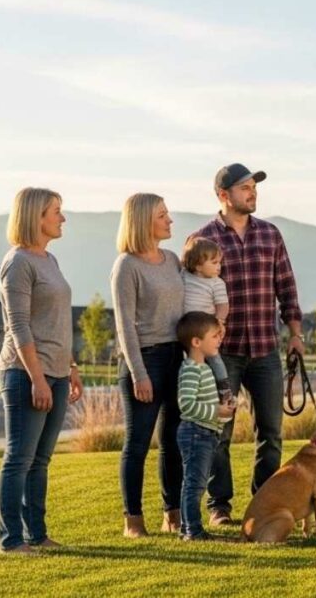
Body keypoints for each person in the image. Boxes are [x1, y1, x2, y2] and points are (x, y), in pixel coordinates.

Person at [192, 163, 304, 527]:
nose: (252, 192)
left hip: (265, 349)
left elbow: (287, 288)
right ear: (223, 195)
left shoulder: (270, 235)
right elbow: (192, 297)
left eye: (254, 187)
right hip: (221, 355)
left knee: (271, 434)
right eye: (245, 187)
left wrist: (296, 334)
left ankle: (264, 504)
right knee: (219, 433)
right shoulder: (202, 240)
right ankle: (219, 506)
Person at [0, 187, 84, 555]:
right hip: (25, 373)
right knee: (19, 458)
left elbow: (56, 320)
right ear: (36, 216)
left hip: (57, 372)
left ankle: (37, 534)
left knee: (41, 460)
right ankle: (10, 540)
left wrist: (71, 366)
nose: (63, 218)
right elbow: (19, 326)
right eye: (56, 211)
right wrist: (37, 378)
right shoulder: (18, 263)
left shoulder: (49, 259)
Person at [111, 193, 185, 538]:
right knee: (138, 443)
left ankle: (173, 515)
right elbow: (124, 325)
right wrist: (139, 373)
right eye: (162, 215)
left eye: (167, 214)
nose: (169, 220)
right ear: (143, 221)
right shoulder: (126, 265)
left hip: (177, 356)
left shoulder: (172, 260)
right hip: (145, 359)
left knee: (172, 440)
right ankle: (133, 521)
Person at [175, 311, 237, 541]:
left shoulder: (204, 368)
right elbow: (187, 405)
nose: (219, 340)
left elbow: (208, 407)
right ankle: (192, 531)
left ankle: (188, 529)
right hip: (195, 434)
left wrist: (225, 411)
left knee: (196, 483)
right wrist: (216, 411)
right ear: (196, 342)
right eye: (214, 336)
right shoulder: (191, 368)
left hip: (206, 433)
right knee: (194, 484)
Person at [180, 235, 231, 399]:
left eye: (219, 262)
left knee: (214, 357)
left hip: (205, 329)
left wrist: (219, 322)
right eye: (214, 263)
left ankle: (224, 387)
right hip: (186, 327)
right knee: (187, 359)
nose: (219, 267)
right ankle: (190, 387)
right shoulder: (184, 275)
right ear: (198, 265)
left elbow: (223, 305)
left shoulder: (217, 283)